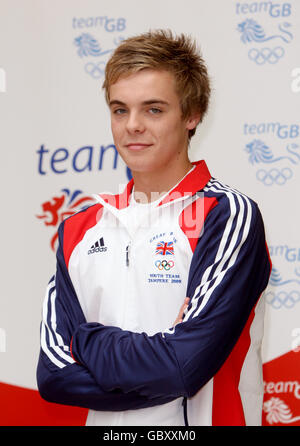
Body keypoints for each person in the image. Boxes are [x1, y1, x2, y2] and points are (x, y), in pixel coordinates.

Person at [37, 29, 271, 426]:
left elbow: (183, 368)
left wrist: (86, 339)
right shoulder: (79, 226)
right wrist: (163, 357)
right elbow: (55, 376)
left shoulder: (227, 215)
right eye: (119, 109)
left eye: (154, 109)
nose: (132, 126)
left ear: (192, 114)